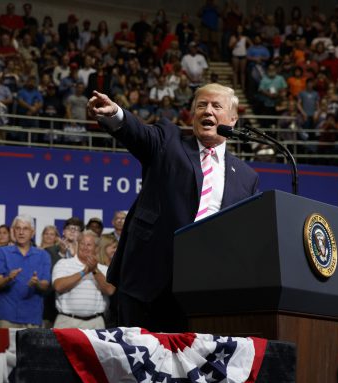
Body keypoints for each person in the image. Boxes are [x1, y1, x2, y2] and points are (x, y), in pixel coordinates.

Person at [87, 83, 259, 331]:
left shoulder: (246, 177)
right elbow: (138, 133)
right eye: (201, 105)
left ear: (232, 119)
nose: (207, 111)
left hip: (206, 292)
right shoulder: (169, 141)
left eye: (216, 106)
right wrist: (115, 113)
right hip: (148, 282)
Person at [0, 215, 51, 328]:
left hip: (32, 318)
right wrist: (8, 278)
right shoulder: (1, 252)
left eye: (25, 229)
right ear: (13, 231)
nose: (21, 232)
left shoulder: (43, 255)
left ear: (32, 232)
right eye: (18, 228)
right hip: (5, 317)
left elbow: (45, 284)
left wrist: (36, 283)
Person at [52, 230, 115, 329]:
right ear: (77, 245)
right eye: (82, 244)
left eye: (89, 244)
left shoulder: (104, 269)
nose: (85, 247)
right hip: (67, 321)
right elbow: (58, 286)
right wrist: (83, 272)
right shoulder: (63, 264)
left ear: (96, 248)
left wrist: (94, 270)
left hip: (95, 323)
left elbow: (110, 290)